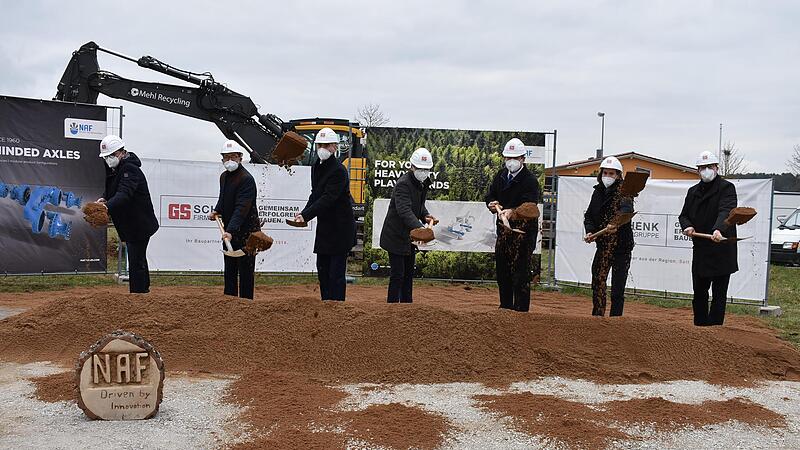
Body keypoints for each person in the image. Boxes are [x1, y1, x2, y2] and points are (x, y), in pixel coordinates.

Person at [293, 128, 356, 301]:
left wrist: (306, 216)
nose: (322, 148)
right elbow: (315, 194)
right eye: (320, 145)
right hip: (325, 229)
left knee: (335, 275)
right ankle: (325, 306)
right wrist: (303, 213)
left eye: (326, 145)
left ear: (334, 147)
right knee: (322, 270)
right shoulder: (316, 167)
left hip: (340, 229)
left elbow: (328, 198)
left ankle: (337, 309)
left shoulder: (339, 171)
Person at [679, 150, 738, 326]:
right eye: (702, 167)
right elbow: (684, 215)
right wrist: (687, 226)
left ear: (716, 168)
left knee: (719, 294)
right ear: (697, 170)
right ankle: (700, 326)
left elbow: (726, 211)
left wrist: (719, 229)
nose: (706, 170)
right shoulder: (693, 191)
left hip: (721, 248)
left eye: (709, 167)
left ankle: (716, 329)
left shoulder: (727, 188)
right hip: (702, 250)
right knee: (699, 292)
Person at [97, 135, 159, 294]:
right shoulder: (115, 169)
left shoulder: (130, 169)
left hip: (139, 224)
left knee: (135, 260)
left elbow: (124, 194)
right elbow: (113, 190)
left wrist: (106, 207)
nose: (108, 159)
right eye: (105, 157)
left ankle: (138, 295)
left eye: (111, 156)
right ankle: (143, 291)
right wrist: (105, 198)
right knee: (138, 259)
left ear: (121, 152)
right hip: (131, 224)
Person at [485, 138, 540, 312]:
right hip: (504, 231)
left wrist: (512, 212)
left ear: (523, 158)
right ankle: (505, 307)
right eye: (508, 158)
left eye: (515, 158)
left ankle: (521, 310)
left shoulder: (530, 181)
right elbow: (490, 194)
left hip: (523, 233)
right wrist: (491, 204)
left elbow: (530, 206)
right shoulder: (501, 176)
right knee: (503, 270)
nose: (511, 161)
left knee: (520, 272)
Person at [379, 148, 437, 303]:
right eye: (420, 168)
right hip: (396, 235)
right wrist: (421, 229)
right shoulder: (403, 184)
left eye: (426, 169)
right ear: (411, 166)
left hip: (410, 237)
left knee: (408, 274)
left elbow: (418, 206)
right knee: (398, 274)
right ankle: (392, 308)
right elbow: (404, 210)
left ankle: (407, 308)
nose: (423, 172)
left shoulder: (422, 183)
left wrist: (425, 216)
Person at [583, 156, 634, 316]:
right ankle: (598, 316)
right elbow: (589, 215)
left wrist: (616, 223)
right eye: (605, 173)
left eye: (612, 173)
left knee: (618, 287)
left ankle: (615, 319)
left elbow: (626, 211)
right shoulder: (597, 192)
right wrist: (590, 231)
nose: (608, 176)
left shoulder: (625, 192)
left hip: (621, 247)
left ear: (618, 175)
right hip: (603, 245)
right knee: (598, 280)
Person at [209, 140, 260, 300]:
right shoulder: (224, 177)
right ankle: (229, 303)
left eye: (233, 157)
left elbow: (242, 209)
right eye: (226, 157)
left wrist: (230, 231)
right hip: (229, 230)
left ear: (240, 157)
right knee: (229, 269)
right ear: (222, 159)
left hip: (247, 233)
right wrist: (217, 210)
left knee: (245, 271)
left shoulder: (246, 179)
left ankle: (246, 305)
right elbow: (223, 198)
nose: (229, 160)